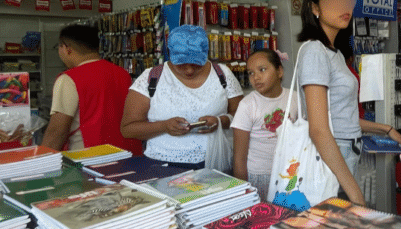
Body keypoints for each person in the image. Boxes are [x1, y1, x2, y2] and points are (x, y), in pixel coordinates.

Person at [297, 0, 401, 206]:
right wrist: (354, 191)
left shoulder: (334, 53)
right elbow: (319, 130)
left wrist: (385, 129)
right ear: (315, 7)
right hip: (331, 156)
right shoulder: (315, 51)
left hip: (346, 152)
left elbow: (342, 116)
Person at [120, 25, 243, 168]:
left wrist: (220, 121)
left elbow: (241, 117)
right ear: (170, 54)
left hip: (215, 162)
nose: (189, 70)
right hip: (162, 165)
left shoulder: (222, 74)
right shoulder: (152, 77)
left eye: (197, 64)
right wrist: (164, 126)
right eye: (181, 64)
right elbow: (128, 129)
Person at [42, 24, 141, 154]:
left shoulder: (68, 79)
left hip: (89, 159)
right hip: (127, 154)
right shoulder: (123, 74)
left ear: (67, 48)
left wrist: (40, 161)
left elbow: (57, 131)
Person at [231, 49, 297, 199]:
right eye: (251, 73)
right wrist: (243, 193)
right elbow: (239, 158)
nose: (256, 77)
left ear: (279, 71)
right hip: (260, 177)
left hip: (289, 173)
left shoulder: (294, 99)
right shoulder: (247, 105)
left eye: (262, 70)